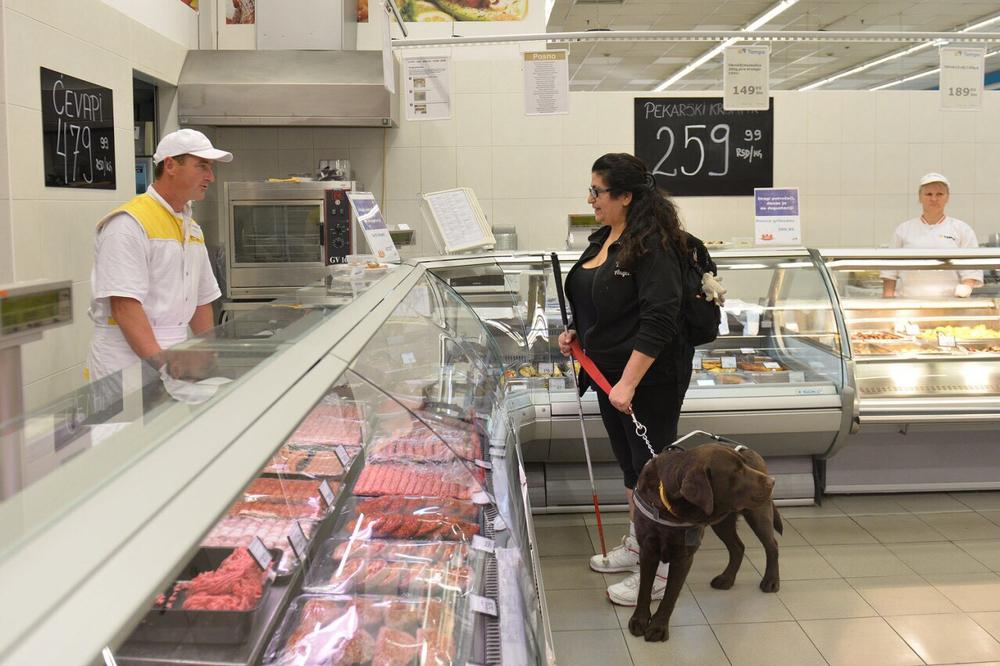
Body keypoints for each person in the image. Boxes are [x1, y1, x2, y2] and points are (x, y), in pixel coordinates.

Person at [558, 153, 719, 606]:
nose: (591, 199)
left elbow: (659, 320)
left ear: (626, 196)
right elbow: (596, 298)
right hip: (608, 377)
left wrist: (627, 382)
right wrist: (576, 332)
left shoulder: (656, 246)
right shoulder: (604, 238)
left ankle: (663, 568)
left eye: (598, 191)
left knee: (655, 477)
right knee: (633, 472)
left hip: (648, 379)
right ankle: (638, 546)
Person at [86, 128, 233, 380]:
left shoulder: (191, 227)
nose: (211, 176)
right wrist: (164, 367)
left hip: (175, 354)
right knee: (126, 421)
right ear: (171, 165)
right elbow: (124, 307)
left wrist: (209, 357)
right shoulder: (129, 224)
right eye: (202, 166)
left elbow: (201, 301)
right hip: (125, 359)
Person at [881, 172, 983, 299]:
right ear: (920, 197)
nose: (934, 199)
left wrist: (967, 287)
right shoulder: (903, 230)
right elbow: (889, 271)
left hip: (950, 303)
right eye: (928, 194)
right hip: (907, 303)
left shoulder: (962, 229)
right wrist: (887, 301)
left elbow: (972, 267)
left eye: (939, 194)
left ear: (947, 197)